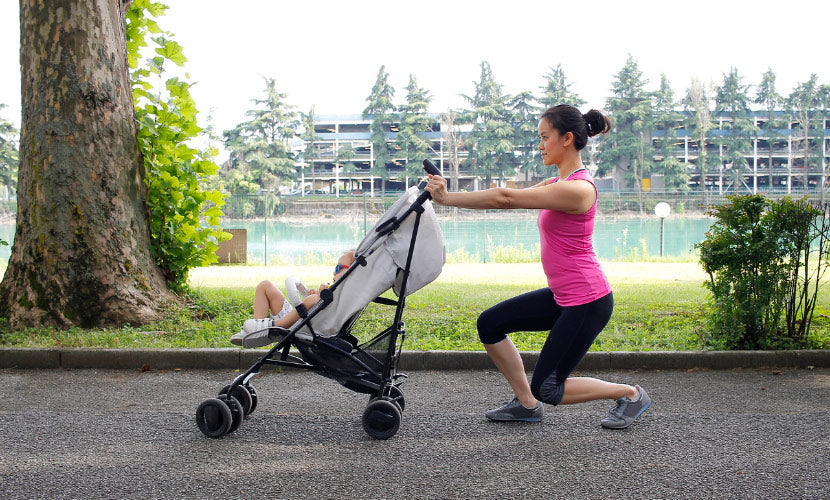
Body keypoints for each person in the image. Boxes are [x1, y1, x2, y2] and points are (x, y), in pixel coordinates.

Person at [424, 105, 651, 429]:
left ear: (567, 138)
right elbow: (506, 197)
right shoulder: (557, 182)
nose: (541, 145)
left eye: (545, 137)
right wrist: (448, 197)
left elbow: (506, 198)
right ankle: (526, 405)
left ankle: (630, 394)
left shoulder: (579, 189)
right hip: (564, 296)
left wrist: (447, 199)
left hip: (588, 301)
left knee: (549, 387)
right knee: (490, 324)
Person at [230, 250, 356, 348]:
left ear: (351, 272)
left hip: (298, 325)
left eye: (338, 268)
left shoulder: (347, 292)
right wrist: (317, 293)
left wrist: (318, 297)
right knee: (265, 285)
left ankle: (272, 326)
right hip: (299, 319)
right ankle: (257, 333)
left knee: (312, 299)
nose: (334, 272)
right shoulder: (342, 291)